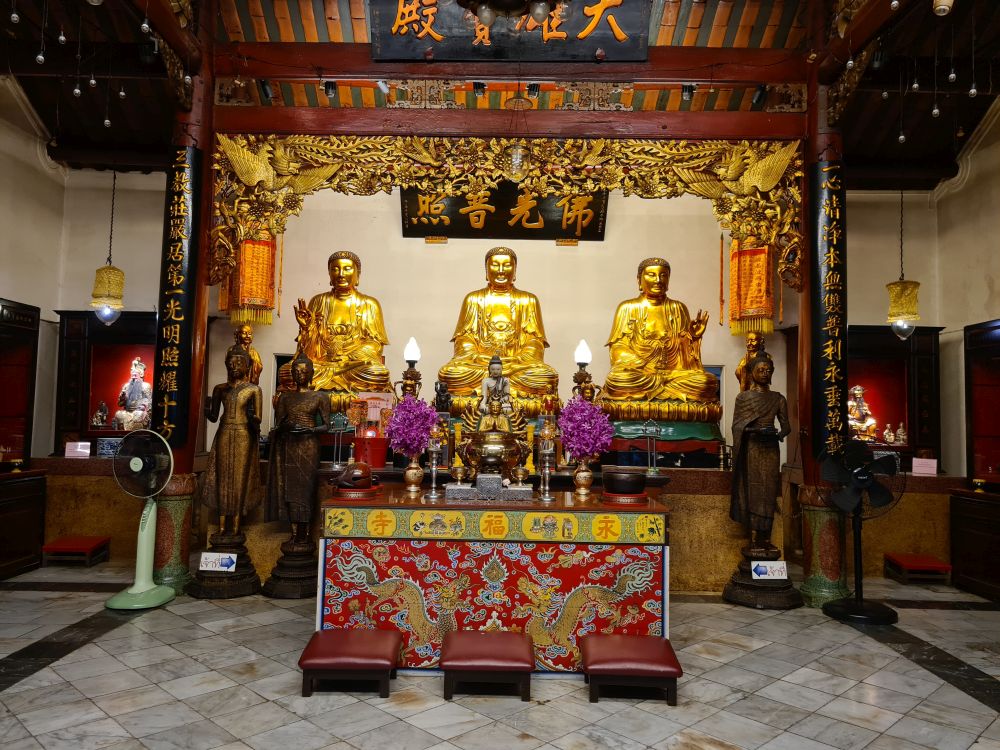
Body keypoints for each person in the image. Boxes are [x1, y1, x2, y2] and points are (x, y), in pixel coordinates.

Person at [438, 247, 558, 404]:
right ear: (486, 270)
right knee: (448, 374)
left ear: (515, 271)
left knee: (548, 376)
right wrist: (477, 357)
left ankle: (491, 390)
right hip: (481, 365)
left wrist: (516, 362)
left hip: (517, 366)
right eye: (495, 265)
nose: (501, 271)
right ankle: (503, 390)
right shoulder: (473, 299)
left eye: (507, 265)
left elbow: (535, 344)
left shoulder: (528, 300)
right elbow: (464, 341)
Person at [602, 258, 719, 403]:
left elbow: (685, 358)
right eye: (651, 275)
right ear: (639, 280)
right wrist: (641, 363)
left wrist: (693, 337)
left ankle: (662, 388)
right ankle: (664, 388)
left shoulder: (678, 308)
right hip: (642, 375)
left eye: (663, 275)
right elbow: (617, 349)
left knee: (708, 382)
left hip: (674, 374)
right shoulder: (627, 308)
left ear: (668, 280)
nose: (658, 280)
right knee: (617, 380)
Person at [279, 250, 391, 394]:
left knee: (378, 373)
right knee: (287, 372)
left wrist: (348, 356)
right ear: (329, 274)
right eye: (335, 269)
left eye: (347, 268)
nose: (341, 274)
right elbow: (308, 352)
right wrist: (307, 329)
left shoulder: (369, 304)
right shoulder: (318, 301)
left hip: (352, 367)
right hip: (321, 365)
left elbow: (375, 346)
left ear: (358, 274)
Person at [729, 354, 790, 553]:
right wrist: (755, 430)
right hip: (752, 448)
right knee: (754, 492)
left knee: (769, 493)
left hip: (770, 448)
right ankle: (755, 539)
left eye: (769, 370)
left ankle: (766, 539)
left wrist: (779, 434)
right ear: (752, 372)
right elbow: (737, 427)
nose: (765, 373)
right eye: (761, 370)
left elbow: (786, 426)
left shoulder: (778, 398)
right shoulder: (744, 398)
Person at [267, 356, 330, 543]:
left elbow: (326, 426)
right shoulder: (285, 398)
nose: (299, 374)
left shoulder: (320, 396)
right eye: (296, 371)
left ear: (311, 373)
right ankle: (294, 533)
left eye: (303, 371)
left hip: (309, 444)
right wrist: (285, 428)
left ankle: (307, 533)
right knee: (291, 489)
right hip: (291, 444)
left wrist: (309, 428)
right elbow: (278, 425)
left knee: (307, 489)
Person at [201, 347, 264, 537]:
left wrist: (254, 419)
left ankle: (236, 524)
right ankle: (222, 525)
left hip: (244, 433)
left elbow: (258, 417)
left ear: (248, 366)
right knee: (222, 476)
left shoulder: (254, 390)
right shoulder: (220, 389)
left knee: (239, 478)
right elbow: (213, 416)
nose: (234, 366)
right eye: (231, 362)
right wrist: (205, 406)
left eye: (239, 362)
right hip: (224, 431)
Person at [113, 357, 153, 431]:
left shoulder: (146, 386)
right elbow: (120, 404)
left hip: (139, 411)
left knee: (139, 415)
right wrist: (123, 397)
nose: (133, 377)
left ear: (141, 374)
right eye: (132, 375)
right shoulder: (126, 386)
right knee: (118, 414)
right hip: (127, 411)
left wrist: (145, 410)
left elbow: (149, 402)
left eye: (135, 375)